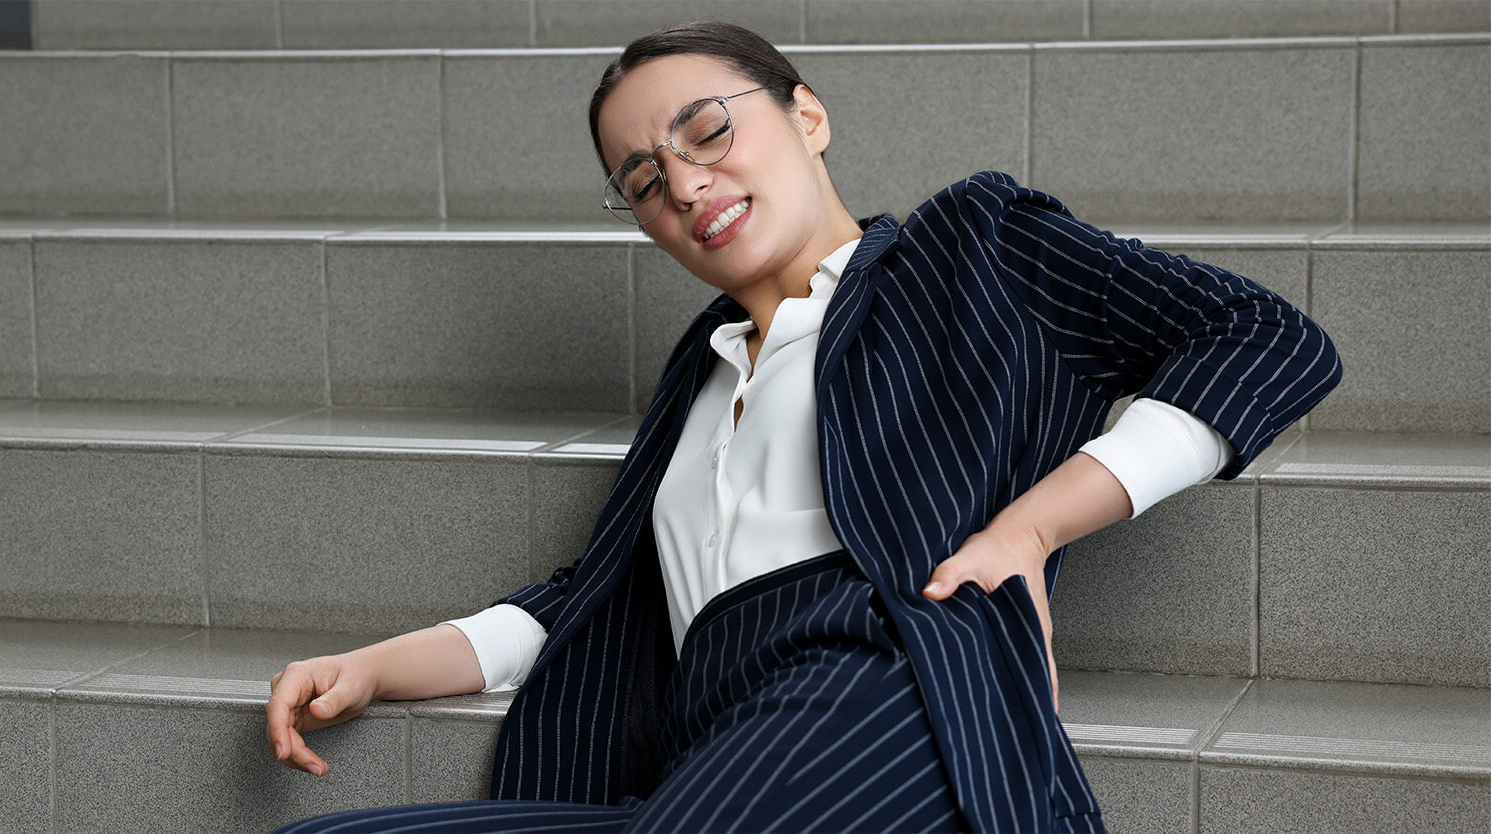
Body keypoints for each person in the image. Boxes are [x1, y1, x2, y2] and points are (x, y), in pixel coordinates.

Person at [265, 20, 1340, 834]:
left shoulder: (972, 252)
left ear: (807, 115)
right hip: (709, 743)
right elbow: (596, 596)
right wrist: (374, 665)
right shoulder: (703, 367)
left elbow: (1268, 336)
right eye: (643, 180)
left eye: (707, 131)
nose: (684, 184)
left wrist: (1029, 531)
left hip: (879, 686)